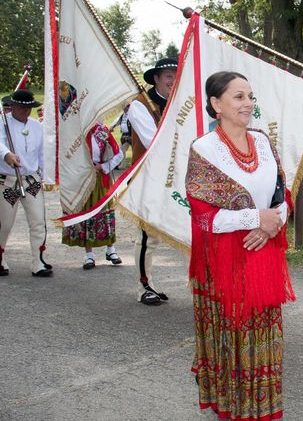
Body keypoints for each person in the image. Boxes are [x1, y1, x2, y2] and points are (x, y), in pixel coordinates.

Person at [185, 71, 294, 420]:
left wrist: (270, 224)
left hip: (263, 251)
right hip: (224, 260)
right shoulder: (204, 149)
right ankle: (231, 406)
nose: (248, 103)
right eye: (238, 96)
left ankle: (263, 407)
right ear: (216, 104)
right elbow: (204, 218)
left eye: (250, 95)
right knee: (231, 335)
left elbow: (282, 193)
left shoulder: (262, 141)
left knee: (265, 333)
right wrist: (254, 220)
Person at [127, 57, 177, 305]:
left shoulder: (181, 104)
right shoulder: (139, 105)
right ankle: (144, 285)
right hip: (148, 178)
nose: (173, 80)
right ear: (156, 79)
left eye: (176, 76)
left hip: (176, 178)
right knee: (149, 236)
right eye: (168, 76)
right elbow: (153, 143)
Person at [0, 90, 52, 277]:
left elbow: (42, 154)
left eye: (29, 107)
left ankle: (38, 261)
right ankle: (0, 258)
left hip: (31, 180)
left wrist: (45, 177)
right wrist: (6, 154)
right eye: (22, 107)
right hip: (8, 181)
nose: (26, 111)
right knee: (4, 224)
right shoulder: (2, 122)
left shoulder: (37, 126)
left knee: (38, 221)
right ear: (12, 106)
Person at [62, 122, 124, 269]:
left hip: (99, 179)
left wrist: (102, 167)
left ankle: (111, 250)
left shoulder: (101, 131)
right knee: (85, 214)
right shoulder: (74, 132)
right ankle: (89, 255)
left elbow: (119, 154)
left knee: (104, 212)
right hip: (81, 179)